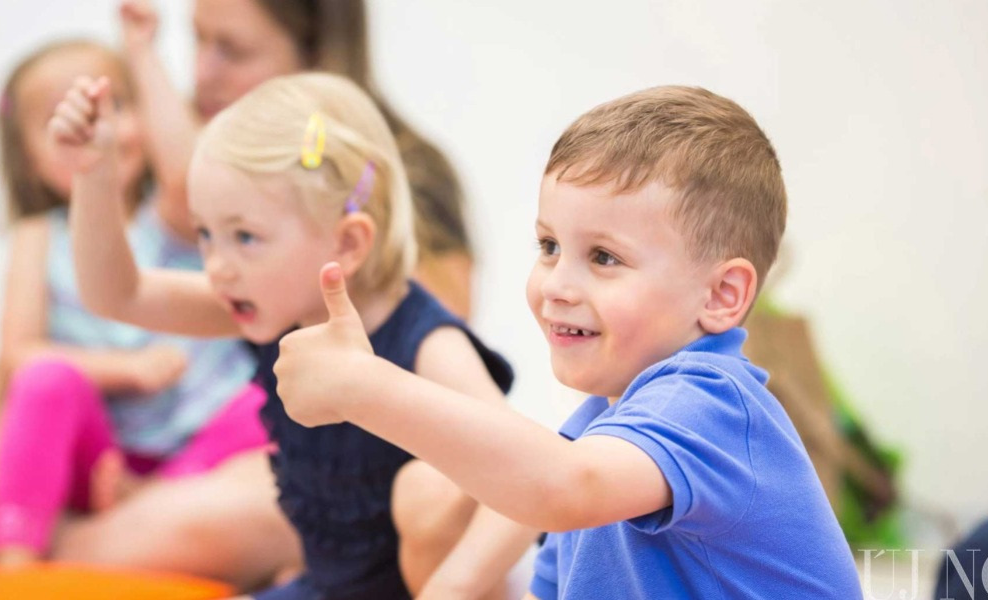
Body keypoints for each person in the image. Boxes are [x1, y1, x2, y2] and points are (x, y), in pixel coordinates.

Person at [274, 86, 865, 598]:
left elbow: (561, 486)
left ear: (720, 295)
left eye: (603, 257)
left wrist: (364, 386)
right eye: (549, 246)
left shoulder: (712, 404)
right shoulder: (594, 436)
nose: (557, 284)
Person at [51, 71, 529, 598]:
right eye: (206, 234)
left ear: (347, 243)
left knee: (430, 489)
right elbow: (118, 295)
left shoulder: (429, 344)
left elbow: (531, 477)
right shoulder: (275, 304)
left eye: (245, 237)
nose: (217, 266)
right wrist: (93, 176)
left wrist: (453, 589)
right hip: (325, 588)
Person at [0, 40, 299, 589]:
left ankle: (154, 500)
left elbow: (185, 173)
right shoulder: (40, 237)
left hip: (200, 443)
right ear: (28, 157)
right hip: (104, 452)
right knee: (43, 381)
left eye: (115, 106)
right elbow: (18, 352)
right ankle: (15, 557)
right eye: (62, 119)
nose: (96, 128)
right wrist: (125, 371)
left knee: (268, 396)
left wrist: (142, 49)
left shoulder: (177, 216)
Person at [120, 0, 476, 318]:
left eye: (235, 51)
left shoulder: (407, 170)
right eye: (198, 39)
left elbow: (438, 322)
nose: (202, 74)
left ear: (316, 56)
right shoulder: (160, 135)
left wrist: (143, 56)